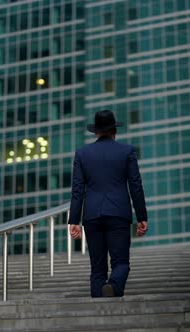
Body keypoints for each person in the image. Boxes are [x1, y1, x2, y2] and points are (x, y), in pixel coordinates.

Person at [68, 109, 148, 298]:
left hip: (92, 215)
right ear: (115, 130)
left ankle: (98, 306)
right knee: (120, 262)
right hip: (118, 213)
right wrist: (142, 216)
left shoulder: (82, 154)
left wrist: (74, 221)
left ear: (96, 131)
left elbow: (77, 189)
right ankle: (113, 285)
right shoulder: (126, 151)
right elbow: (135, 185)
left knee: (97, 268)